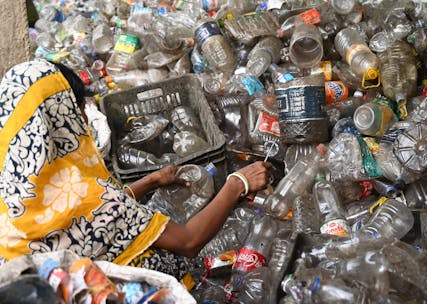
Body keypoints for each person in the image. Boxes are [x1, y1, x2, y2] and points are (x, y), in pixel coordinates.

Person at [0, 59, 271, 280]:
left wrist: (150, 181)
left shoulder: (13, 189)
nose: (84, 118)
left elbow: (86, 219)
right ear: (61, 118)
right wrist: (237, 183)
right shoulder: (89, 196)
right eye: (80, 109)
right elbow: (189, 242)